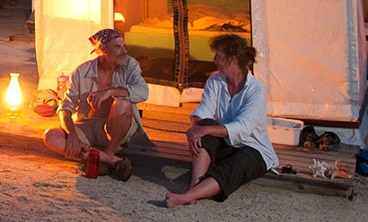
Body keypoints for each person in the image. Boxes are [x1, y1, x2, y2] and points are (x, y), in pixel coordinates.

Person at [165, 34, 278, 206]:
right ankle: (195, 186)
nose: (214, 60)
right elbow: (204, 110)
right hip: (226, 144)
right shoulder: (215, 81)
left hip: (252, 147)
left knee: (236, 163)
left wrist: (204, 130)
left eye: (218, 56)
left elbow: (243, 128)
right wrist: (196, 128)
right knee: (205, 125)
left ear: (231, 59)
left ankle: (188, 196)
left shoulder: (255, 90)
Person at [42, 28, 148, 181]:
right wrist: (72, 134)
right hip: (89, 127)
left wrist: (110, 91)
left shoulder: (130, 65)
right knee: (50, 136)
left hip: (119, 129)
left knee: (122, 103)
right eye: (118, 47)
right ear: (103, 50)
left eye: (123, 46)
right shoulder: (82, 71)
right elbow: (65, 107)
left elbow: (143, 91)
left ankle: (103, 154)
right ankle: (109, 159)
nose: (124, 51)